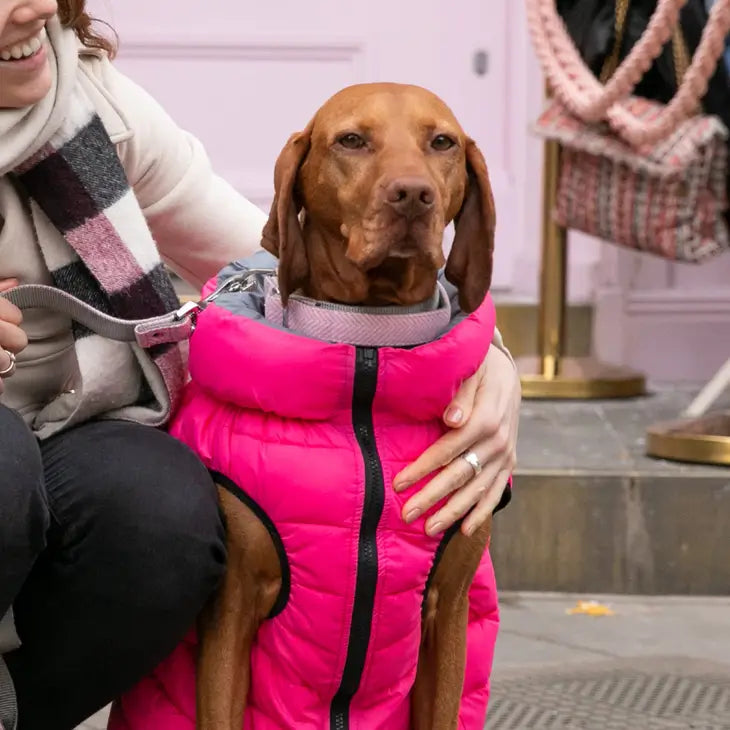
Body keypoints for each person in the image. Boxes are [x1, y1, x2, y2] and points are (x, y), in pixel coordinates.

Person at [0, 1, 521, 728]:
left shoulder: (94, 108)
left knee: (161, 511)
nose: (24, 8)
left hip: (72, 419)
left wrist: (483, 359)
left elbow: (268, 257)